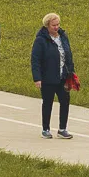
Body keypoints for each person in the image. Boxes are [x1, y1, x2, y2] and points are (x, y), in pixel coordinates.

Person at [31, 11, 76, 139]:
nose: (56, 27)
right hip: (48, 77)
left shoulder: (63, 37)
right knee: (48, 103)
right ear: (47, 26)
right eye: (53, 25)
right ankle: (45, 129)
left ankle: (62, 129)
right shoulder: (41, 40)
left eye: (58, 24)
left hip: (63, 76)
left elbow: (69, 55)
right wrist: (37, 78)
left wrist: (71, 73)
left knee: (65, 101)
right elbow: (35, 60)